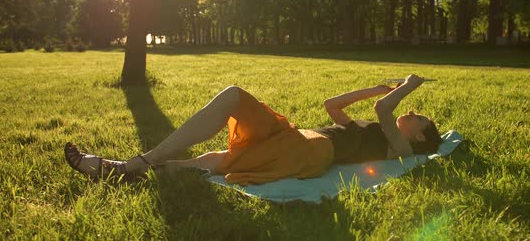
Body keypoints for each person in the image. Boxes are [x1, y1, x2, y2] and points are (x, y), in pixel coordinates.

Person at [65, 74, 441, 185]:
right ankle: (131, 169)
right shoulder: (372, 128)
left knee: (213, 161)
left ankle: (124, 169)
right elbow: (332, 106)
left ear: (419, 136)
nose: (412, 111)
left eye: (420, 117)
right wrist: (377, 87)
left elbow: (384, 110)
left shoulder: (399, 148)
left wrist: (409, 85)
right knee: (233, 97)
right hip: (296, 136)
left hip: (309, 151)